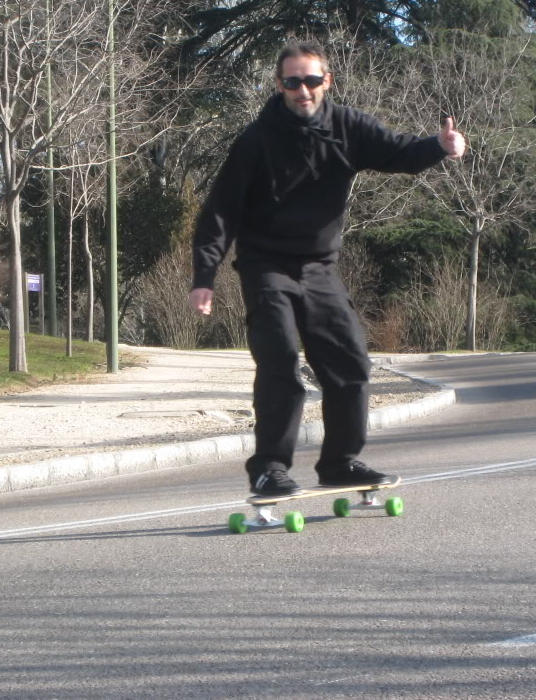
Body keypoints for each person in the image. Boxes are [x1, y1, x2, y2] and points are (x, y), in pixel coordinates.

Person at [189, 42, 466, 496]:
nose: (304, 90)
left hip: (319, 266)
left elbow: (397, 153)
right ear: (279, 86)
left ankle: (340, 462)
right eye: (293, 82)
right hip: (266, 265)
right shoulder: (256, 140)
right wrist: (205, 276)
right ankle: (269, 468)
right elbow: (221, 211)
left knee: (350, 362)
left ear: (327, 82)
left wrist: (439, 146)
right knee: (280, 359)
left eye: (312, 81)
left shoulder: (347, 126)